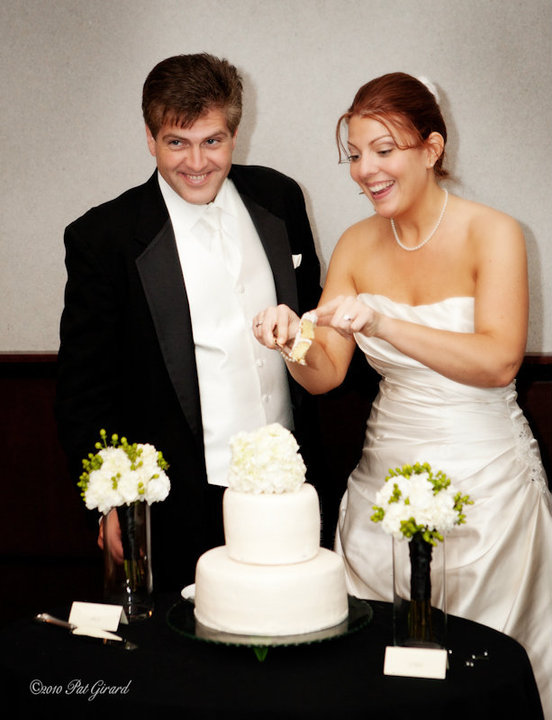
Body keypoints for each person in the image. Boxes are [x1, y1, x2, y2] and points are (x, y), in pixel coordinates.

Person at [253, 72, 552, 714]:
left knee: (482, 674)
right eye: (355, 154)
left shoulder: (495, 233)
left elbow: (499, 361)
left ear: (432, 148)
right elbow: (327, 372)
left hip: (489, 484)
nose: (366, 170)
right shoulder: (356, 243)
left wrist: (386, 324)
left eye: (384, 150)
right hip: (382, 483)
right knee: (377, 679)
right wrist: (291, 341)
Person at [55, 53, 322, 592]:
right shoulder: (103, 238)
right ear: (150, 139)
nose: (196, 162)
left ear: (235, 135)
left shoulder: (279, 198)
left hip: (293, 491)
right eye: (177, 142)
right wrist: (108, 502)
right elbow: (83, 392)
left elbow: (315, 320)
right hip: (177, 505)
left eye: (212, 141)